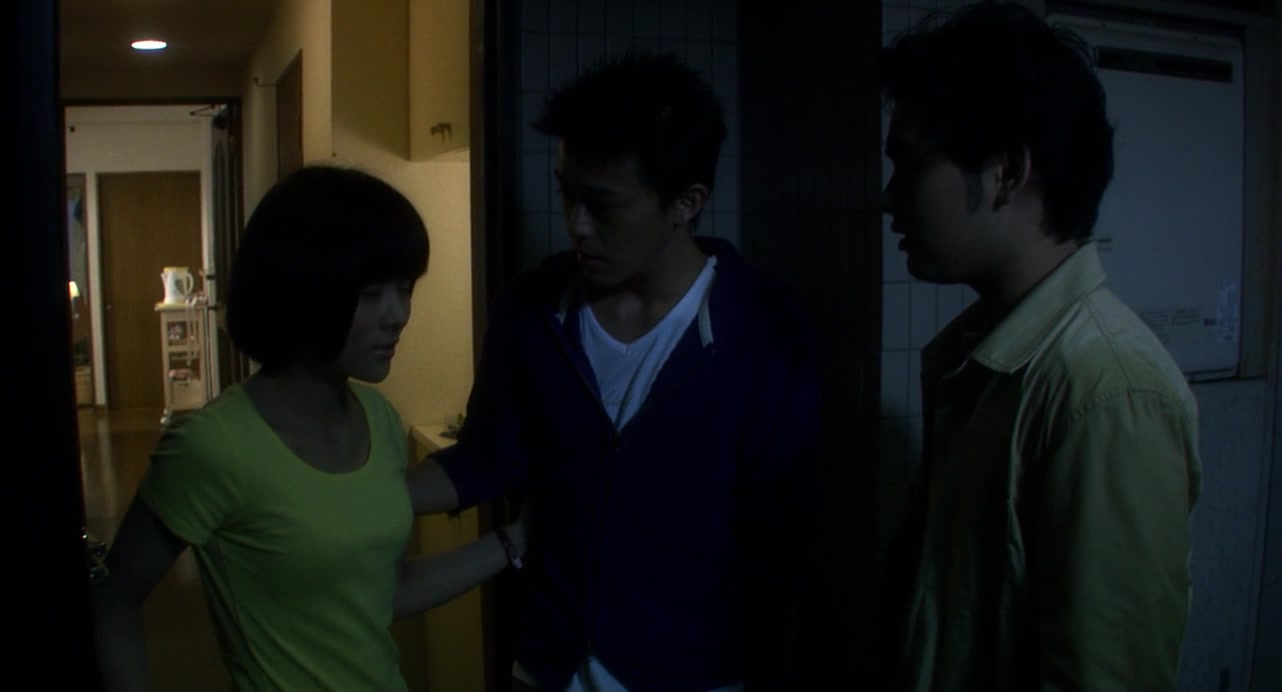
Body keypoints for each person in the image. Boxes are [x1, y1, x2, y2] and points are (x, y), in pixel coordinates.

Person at [407, 50, 822, 691]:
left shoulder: (762, 327)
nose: (577, 225)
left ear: (686, 202)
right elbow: (489, 458)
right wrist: (348, 494)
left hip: (693, 676)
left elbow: (780, 536)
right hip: (547, 666)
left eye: (602, 205)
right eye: (567, 194)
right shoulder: (532, 307)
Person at [93, 164, 527, 692]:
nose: (399, 314)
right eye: (372, 293)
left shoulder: (378, 418)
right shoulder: (215, 446)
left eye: (404, 288)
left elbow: (381, 593)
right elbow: (113, 598)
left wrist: (516, 540)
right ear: (304, 290)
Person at [877, 2, 1202, 690]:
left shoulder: (1107, 392)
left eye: (909, 165)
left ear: (1006, 173)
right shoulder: (981, 356)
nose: (888, 198)